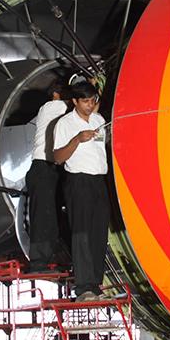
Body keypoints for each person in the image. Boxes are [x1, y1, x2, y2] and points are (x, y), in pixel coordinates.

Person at [53, 81, 109, 302]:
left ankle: (95, 285)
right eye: (85, 101)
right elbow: (58, 158)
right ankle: (83, 287)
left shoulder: (99, 120)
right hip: (78, 181)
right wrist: (77, 139)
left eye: (92, 100)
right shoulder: (65, 124)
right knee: (82, 233)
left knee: (98, 233)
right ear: (74, 101)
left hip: (99, 181)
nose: (89, 105)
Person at [25, 79, 68, 272]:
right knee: (43, 217)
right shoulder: (53, 107)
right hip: (44, 167)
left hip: (49, 169)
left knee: (50, 217)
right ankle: (38, 264)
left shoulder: (50, 109)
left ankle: (47, 259)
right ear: (57, 95)